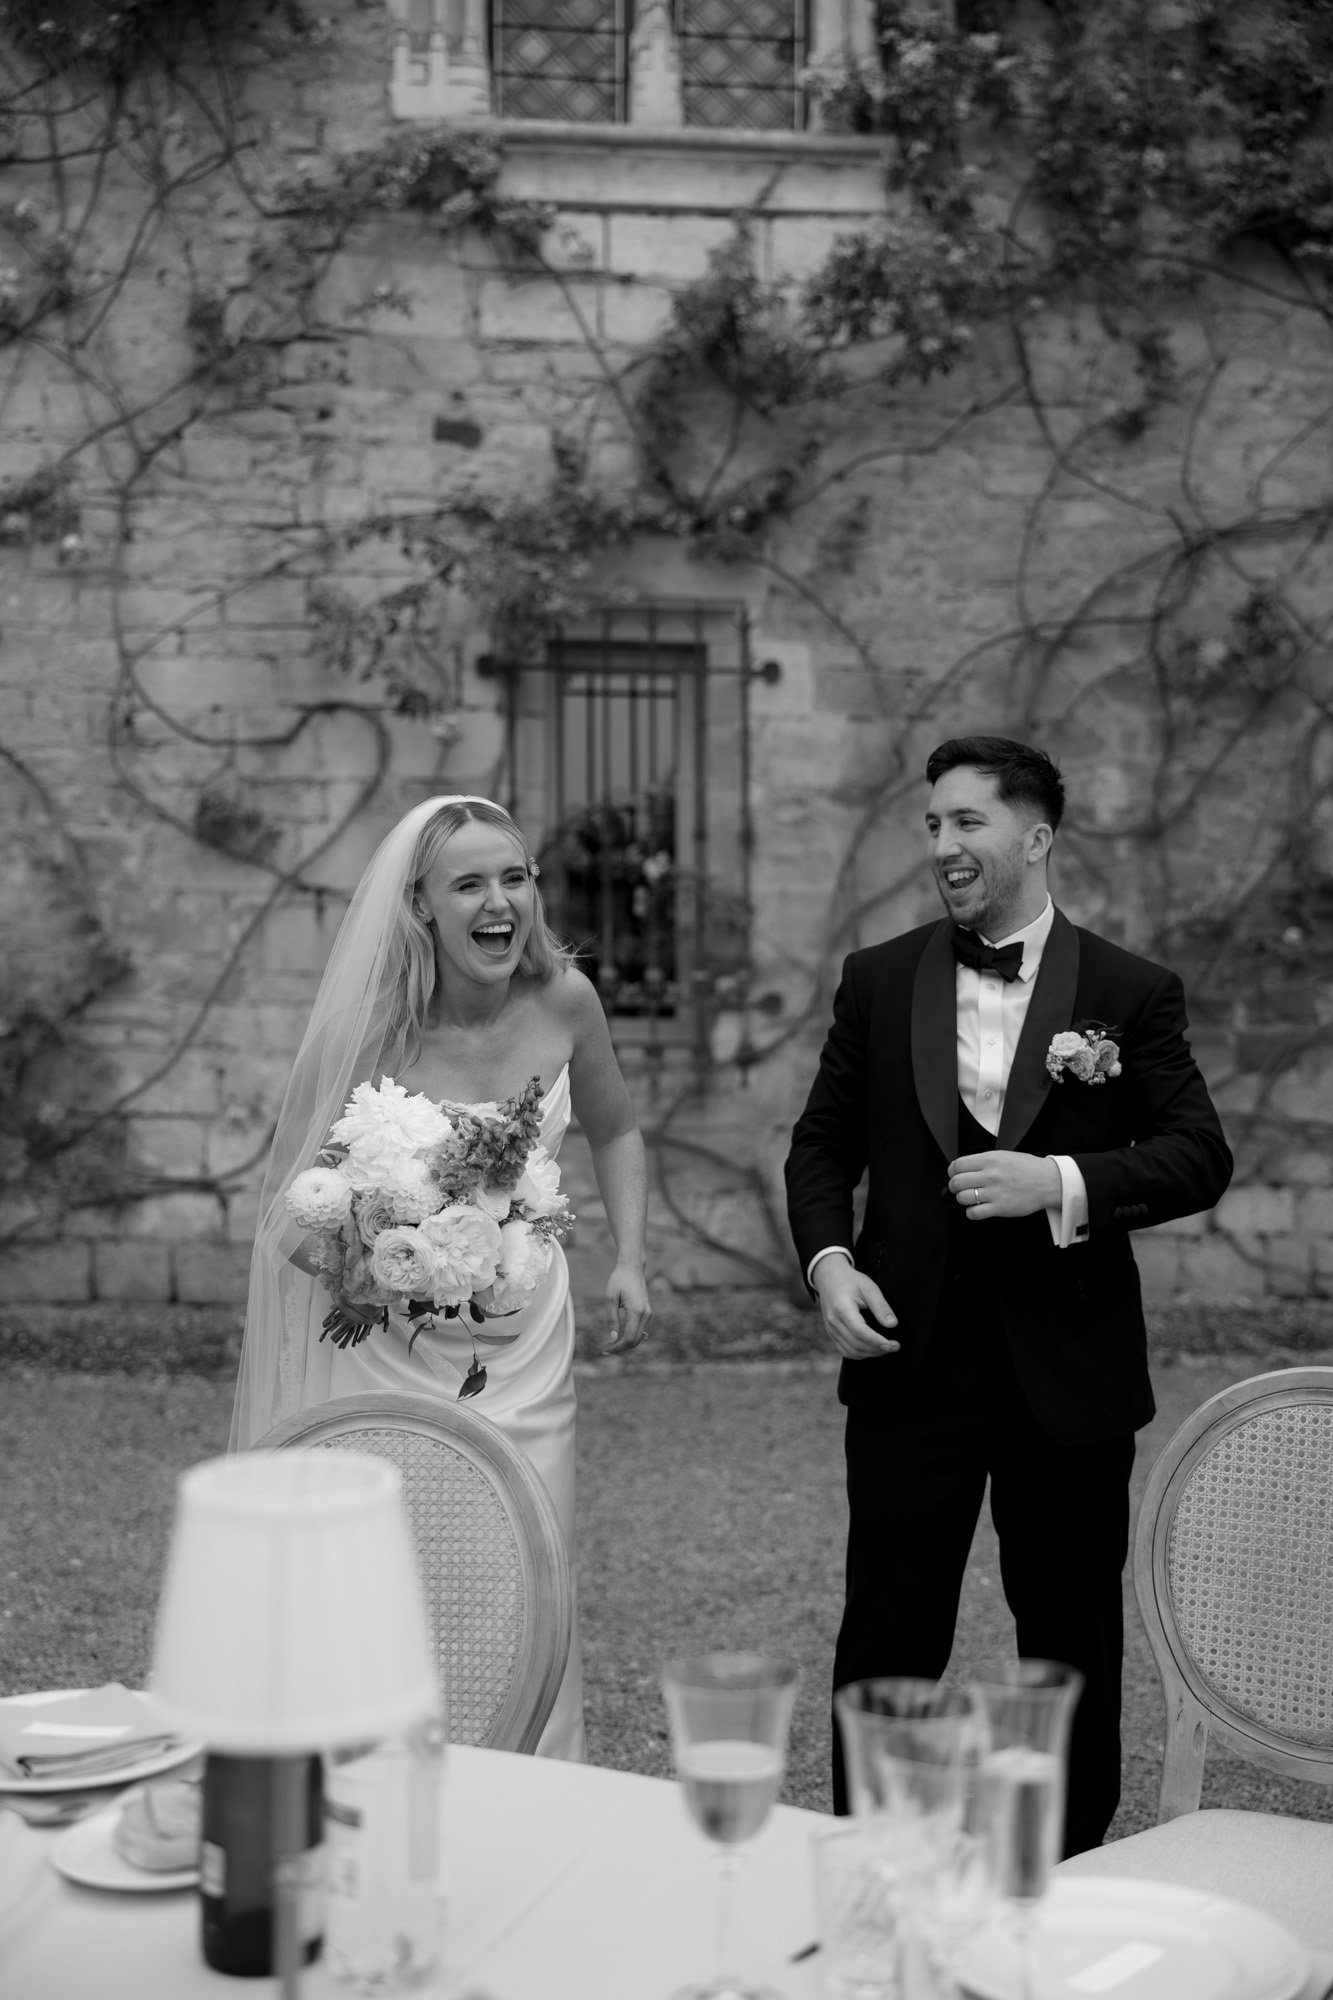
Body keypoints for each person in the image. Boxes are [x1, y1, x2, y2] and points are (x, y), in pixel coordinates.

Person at [784, 736, 1232, 1851]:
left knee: (1068, 1637)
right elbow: (820, 1147)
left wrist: (1062, 1179)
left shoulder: (1130, 991)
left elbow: (1196, 1153)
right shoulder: (877, 978)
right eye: (932, 824)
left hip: (1067, 1371)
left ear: (1033, 838)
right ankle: (873, 1861)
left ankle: (1073, 1865)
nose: (942, 843)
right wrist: (829, 1263)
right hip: (909, 1360)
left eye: (966, 821)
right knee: (887, 1630)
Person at [231, 795, 652, 1761]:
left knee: (524, 1564)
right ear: (419, 906)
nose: (498, 901)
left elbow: (616, 1128)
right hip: (381, 1345)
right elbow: (287, 1203)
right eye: (468, 883)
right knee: (391, 1564)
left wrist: (630, 1256)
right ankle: (374, 1782)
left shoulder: (566, 1002)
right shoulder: (369, 1027)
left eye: (513, 878)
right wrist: (371, 1265)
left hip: (520, 1344)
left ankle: (529, 1782)